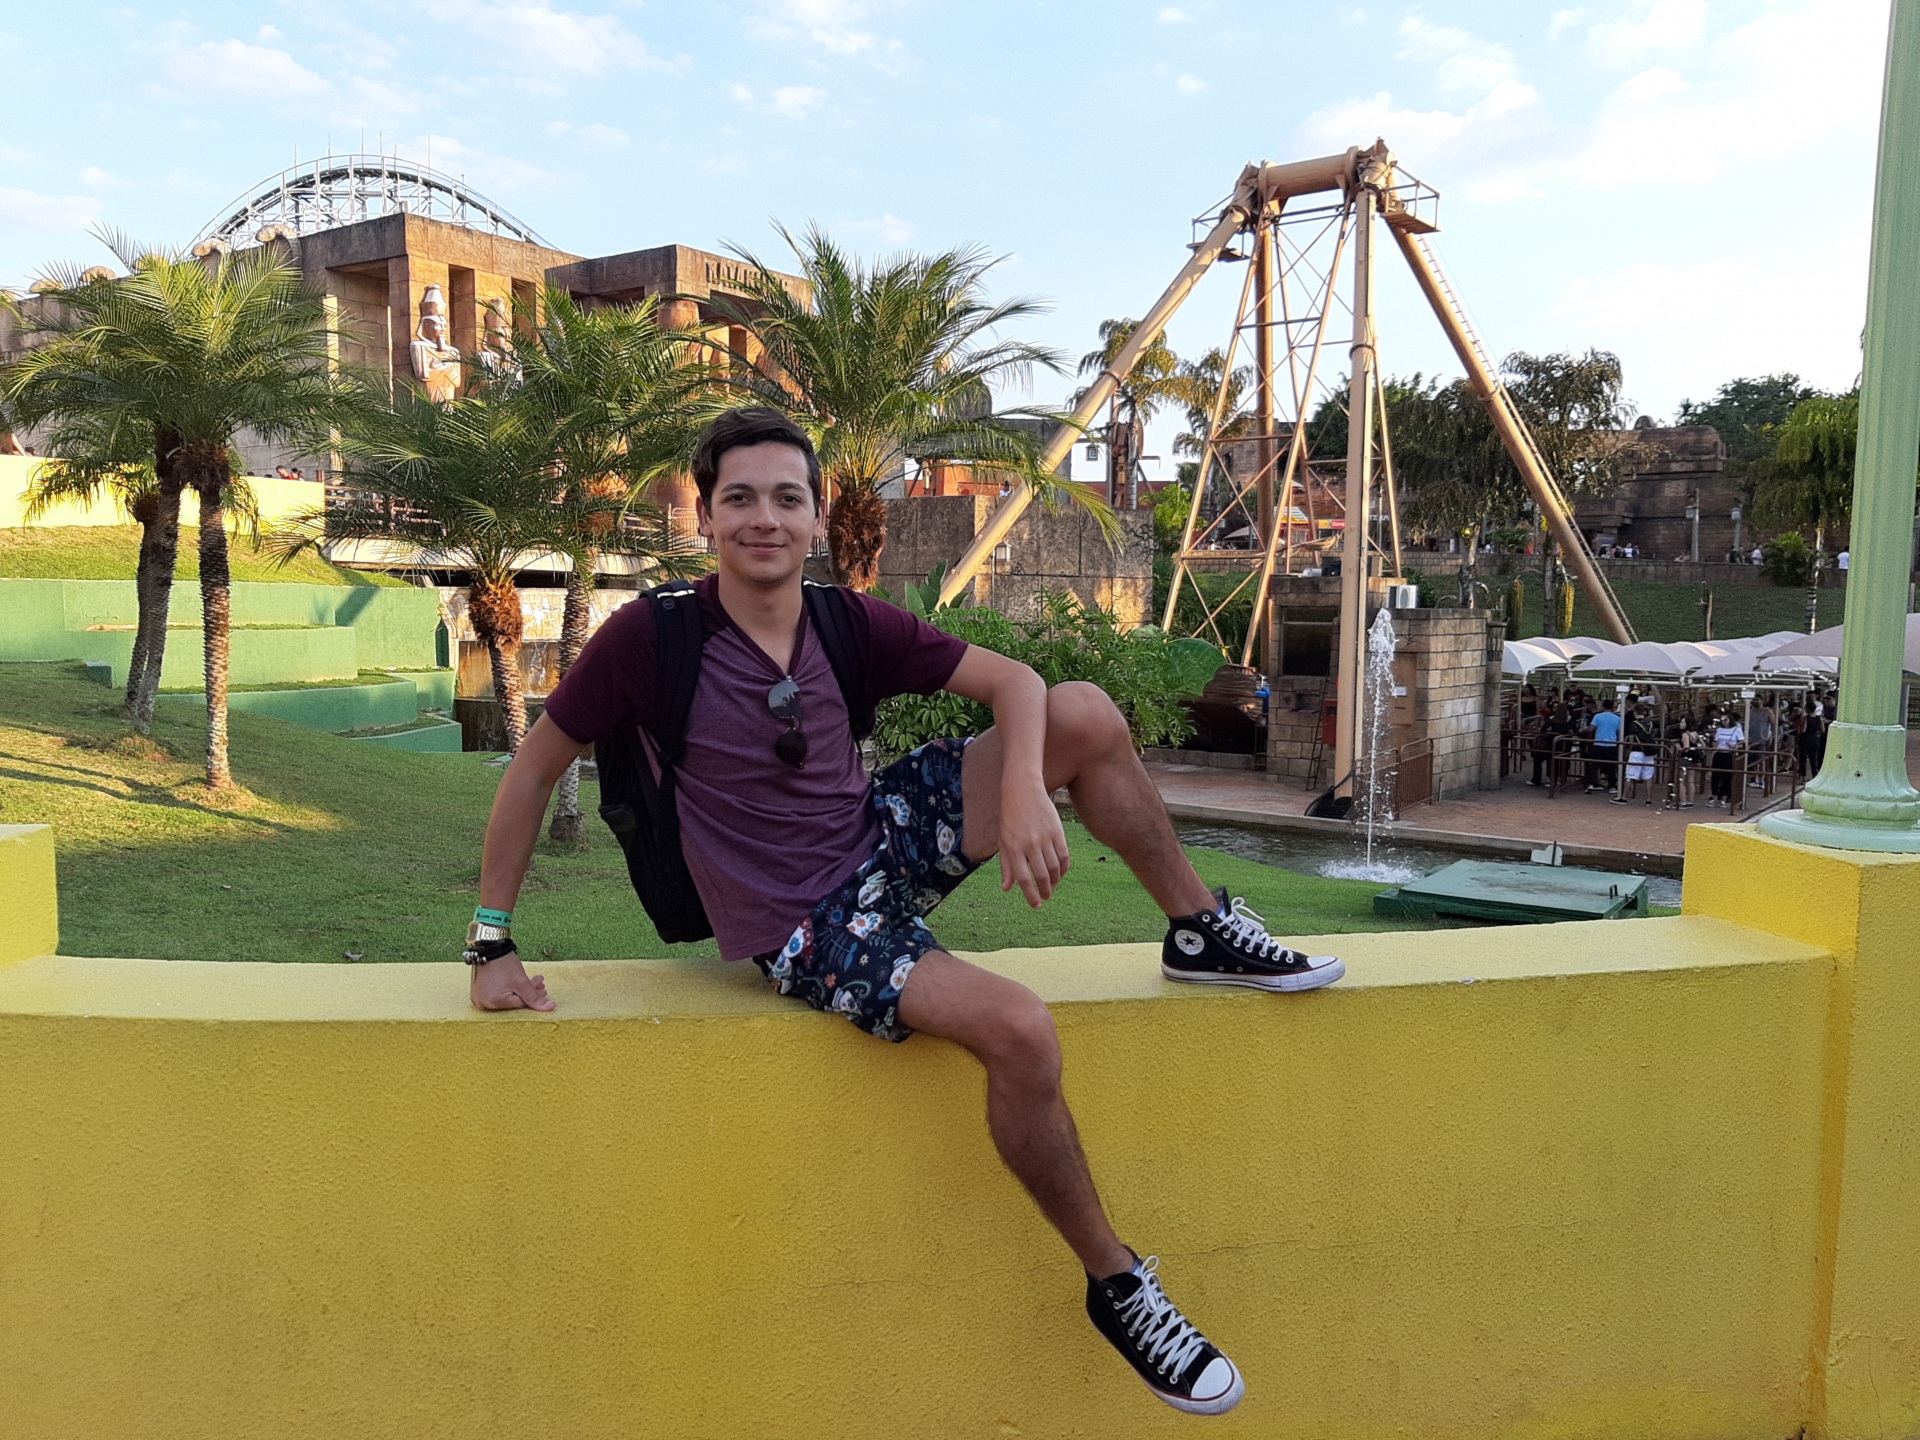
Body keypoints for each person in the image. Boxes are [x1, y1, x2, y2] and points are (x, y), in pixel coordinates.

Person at [462, 407, 1345, 1417]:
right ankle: (1118, 1283)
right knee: (1019, 1027)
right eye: (739, 499)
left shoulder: (844, 622)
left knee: (1084, 713)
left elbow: (1016, 681)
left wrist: (1024, 787)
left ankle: (1196, 928)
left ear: (816, 514)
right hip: (804, 921)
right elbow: (533, 772)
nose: (764, 519)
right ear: (706, 518)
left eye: (785, 498)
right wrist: (491, 943)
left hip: (877, 835)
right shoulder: (651, 638)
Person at [1585, 697, 1623, 795]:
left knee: (1594, 765)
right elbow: (1619, 732)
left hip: (1598, 743)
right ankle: (1612, 786)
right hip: (1611, 744)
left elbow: (1590, 729)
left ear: (1602, 707)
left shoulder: (1597, 716)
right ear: (1613, 707)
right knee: (1611, 766)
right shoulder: (1617, 718)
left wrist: (1589, 740)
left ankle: (1591, 784)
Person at [1709, 709, 1745, 807]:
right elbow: (1716, 743)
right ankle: (1715, 797)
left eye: (1725, 720)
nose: (1723, 722)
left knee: (1727, 777)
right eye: (1722, 720)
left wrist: (1735, 746)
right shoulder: (1719, 730)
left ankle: (1724, 799)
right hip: (1719, 753)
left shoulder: (1737, 730)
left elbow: (1742, 743)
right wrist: (1713, 753)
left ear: (1730, 720)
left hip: (1729, 754)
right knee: (1715, 776)